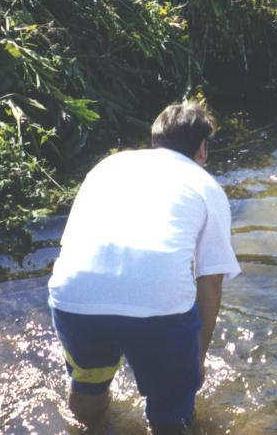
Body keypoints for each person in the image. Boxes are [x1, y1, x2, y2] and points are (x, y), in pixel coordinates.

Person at [47, 101, 241, 434]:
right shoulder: (205, 186)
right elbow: (210, 285)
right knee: (171, 417)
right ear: (202, 148)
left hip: (73, 298)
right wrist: (197, 356)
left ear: (156, 140)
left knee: (88, 388)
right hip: (158, 313)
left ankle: (86, 426)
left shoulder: (109, 166)